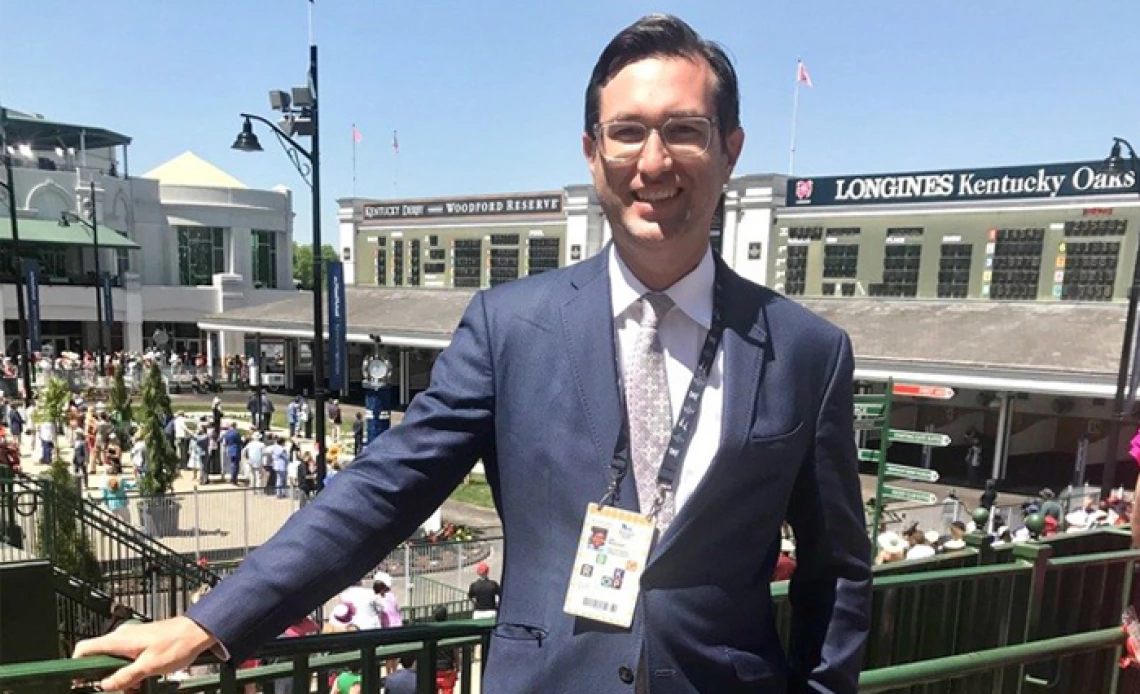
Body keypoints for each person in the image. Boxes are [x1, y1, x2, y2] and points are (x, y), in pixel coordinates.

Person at [74, 16, 871, 694]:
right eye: (627, 132)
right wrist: (213, 620)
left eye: (684, 131)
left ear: (729, 151)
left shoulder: (807, 353)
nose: (653, 162)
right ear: (593, 154)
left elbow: (837, 574)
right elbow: (384, 490)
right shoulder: (510, 327)